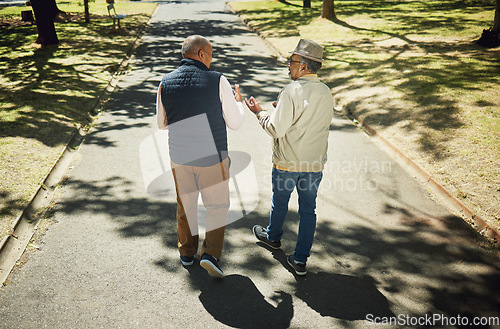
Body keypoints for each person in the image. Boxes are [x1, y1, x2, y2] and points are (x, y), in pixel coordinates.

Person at [156, 35, 244, 278]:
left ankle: (186, 253)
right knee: (216, 206)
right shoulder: (217, 80)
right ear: (202, 54)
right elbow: (235, 123)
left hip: (180, 157)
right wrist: (239, 104)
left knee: (186, 205)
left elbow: (162, 123)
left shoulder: (165, 82)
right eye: (211, 54)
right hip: (211, 157)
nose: (211, 59)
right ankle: (210, 255)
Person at [244, 39, 333, 276]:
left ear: (303, 67)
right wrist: (282, 109)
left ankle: (273, 237)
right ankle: (301, 260)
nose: (288, 66)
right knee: (308, 210)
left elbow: (275, 129)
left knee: (280, 201)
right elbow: (312, 122)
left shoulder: (291, 90)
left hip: (287, 163)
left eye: (291, 62)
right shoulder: (325, 91)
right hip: (314, 164)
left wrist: (259, 112)